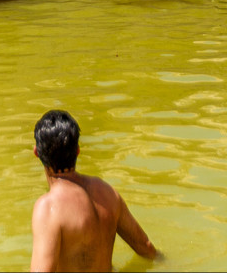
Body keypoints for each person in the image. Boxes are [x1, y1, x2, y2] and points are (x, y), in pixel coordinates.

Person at [31, 110, 160, 272]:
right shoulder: (107, 192)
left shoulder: (48, 207)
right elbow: (147, 249)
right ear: (77, 150)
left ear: (36, 152)